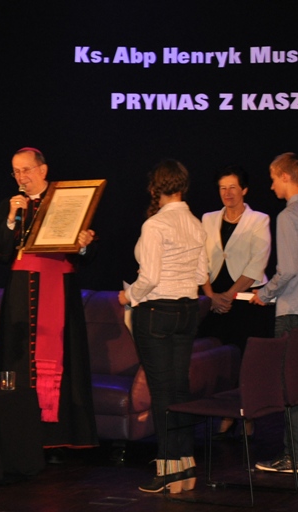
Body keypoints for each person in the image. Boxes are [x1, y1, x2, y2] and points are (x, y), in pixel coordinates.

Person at [0, 147, 98, 459]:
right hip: (21, 294)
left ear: (43, 170)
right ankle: (20, 438)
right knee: (19, 363)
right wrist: (10, 218)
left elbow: (87, 253)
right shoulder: (11, 205)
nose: (21, 177)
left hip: (59, 288)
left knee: (63, 359)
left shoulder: (67, 200)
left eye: (26, 170)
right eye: (16, 171)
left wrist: (84, 245)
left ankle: (58, 440)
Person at [118, 159, 208, 494]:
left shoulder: (155, 225)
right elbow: (201, 275)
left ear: (155, 188)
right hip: (187, 310)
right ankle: (186, 467)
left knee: (162, 392)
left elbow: (150, 278)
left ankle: (168, 469)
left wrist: (128, 295)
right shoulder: (196, 224)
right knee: (179, 389)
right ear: (183, 186)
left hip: (156, 311)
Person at [249, 152, 298, 474]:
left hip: (293, 310)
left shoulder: (289, 215)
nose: (271, 186)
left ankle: (294, 456)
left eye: (272, 179)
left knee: (290, 387)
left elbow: (289, 269)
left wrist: (264, 294)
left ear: (284, 176)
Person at [198, 165, 274, 439]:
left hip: (245, 300)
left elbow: (257, 264)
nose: (227, 193)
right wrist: (210, 295)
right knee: (219, 361)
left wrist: (228, 295)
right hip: (214, 300)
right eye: (222, 188)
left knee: (246, 361)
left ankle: (247, 415)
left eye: (232, 187)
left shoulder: (259, 220)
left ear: (244, 190)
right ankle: (224, 413)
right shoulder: (208, 219)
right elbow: (200, 259)